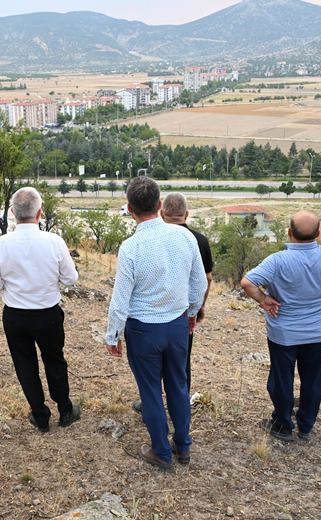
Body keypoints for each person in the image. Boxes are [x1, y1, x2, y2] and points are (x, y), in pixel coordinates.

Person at [241, 211, 321, 442]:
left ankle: (282, 425)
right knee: (313, 380)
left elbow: (247, 282)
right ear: (318, 232)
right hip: (318, 332)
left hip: (284, 333)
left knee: (281, 380)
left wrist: (263, 300)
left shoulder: (277, 260)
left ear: (289, 233)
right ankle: (305, 426)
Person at [105, 177, 207, 469]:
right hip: (176, 325)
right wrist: (191, 313)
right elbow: (198, 283)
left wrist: (113, 335)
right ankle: (183, 445)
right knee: (178, 384)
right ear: (160, 205)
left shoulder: (131, 247)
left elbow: (120, 298)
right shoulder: (186, 237)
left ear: (130, 208)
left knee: (150, 390)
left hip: (142, 329)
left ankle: (161, 452)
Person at [0, 187, 81, 433]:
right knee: (55, 360)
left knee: (24, 364)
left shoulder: (1, 244)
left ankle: (40, 415)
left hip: (15, 315)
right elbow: (71, 278)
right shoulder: (54, 241)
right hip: (47, 313)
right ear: (40, 213)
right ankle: (65, 409)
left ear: (12, 213)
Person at [133, 193, 213, 414]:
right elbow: (206, 278)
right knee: (181, 362)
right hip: (185, 312)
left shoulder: (149, 239)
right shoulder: (200, 240)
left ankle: (152, 404)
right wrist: (199, 307)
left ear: (162, 212)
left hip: (154, 311)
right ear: (186, 214)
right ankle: (179, 406)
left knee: (152, 364)